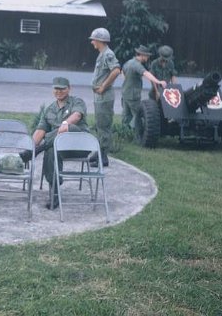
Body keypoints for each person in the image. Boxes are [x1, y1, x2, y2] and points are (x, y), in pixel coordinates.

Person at [23, 77, 89, 209]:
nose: (58, 91)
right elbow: (40, 131)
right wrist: (30, 145)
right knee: (52, 150)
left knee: (67, 128)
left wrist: (65, 124)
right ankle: (54, 192)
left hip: (80, 145)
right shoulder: (49, 109)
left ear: (69, 88)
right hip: (61, 147)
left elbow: (77, 116)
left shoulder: (77, 101)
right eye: (56, 88)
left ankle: (38, 151)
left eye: (62, 88)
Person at [89, 27, 121, 167]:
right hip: (100, 98)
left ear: (100, 40)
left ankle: (104, 157)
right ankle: (99, 151)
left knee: (104, 127)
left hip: (104, 97)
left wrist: (103, 87)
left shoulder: (108, 54)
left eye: (93, 39)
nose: (92, 42)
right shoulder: (102, 53)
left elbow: (116, 71)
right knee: (99, 126)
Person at [121, 46, 167, 131]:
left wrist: (127, 81)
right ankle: (136, 133)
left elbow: (122, 72)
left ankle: (125, 132)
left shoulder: (129, 62)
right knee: (138, 115)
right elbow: (146, 73)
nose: (148, 58)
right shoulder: (137, 65)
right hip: (133, 95)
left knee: (126, 115)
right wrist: (159, 82)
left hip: (125, 92)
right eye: (147, 56)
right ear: (142, 55)